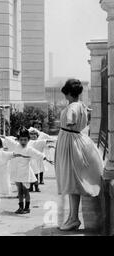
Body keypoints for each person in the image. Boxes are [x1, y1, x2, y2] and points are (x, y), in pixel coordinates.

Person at [55, 79, 103, 231]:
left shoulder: (72, 108)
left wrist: (66, 122)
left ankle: (74, 218)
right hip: (75, 141)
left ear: (69, 93)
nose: (66, 97)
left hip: (70, 143)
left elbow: (70, 121)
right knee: (72, 181)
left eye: (66, 94)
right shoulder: (82, 105)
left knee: (71, 181)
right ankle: (72, 217)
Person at [3, 127, 53, 214]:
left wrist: (47, 159)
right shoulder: (15, 145)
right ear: (18, 139)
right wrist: (3, 137)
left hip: (26, 173)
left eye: (25, 140)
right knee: (19, 190)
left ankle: (27, 207)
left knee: (26, 190)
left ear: (28, 140)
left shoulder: (29, 149)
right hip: (17, 172)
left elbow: (38, 154)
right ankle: (20, 207)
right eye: (21, 140)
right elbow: (8, 140)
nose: (23, 142)